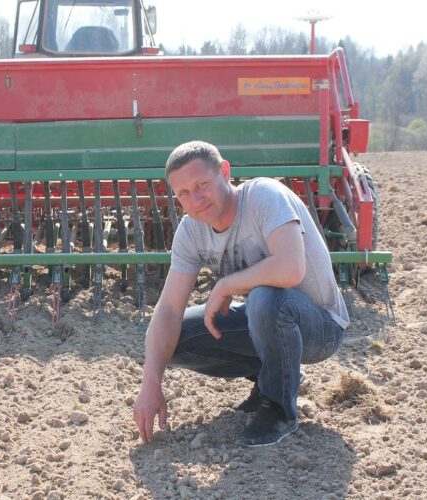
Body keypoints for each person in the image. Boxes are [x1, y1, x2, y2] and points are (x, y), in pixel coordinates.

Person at [133, 141, 349, 447]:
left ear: (225, 171)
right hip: (268, 320)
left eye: (202, 185)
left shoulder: (263, 196)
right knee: (174, 340)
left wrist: (226, 285)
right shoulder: (191, 231)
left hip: (320, 327)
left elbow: (291, 269)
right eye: (183, 193)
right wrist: (150, 383)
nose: (195, 199)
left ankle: (279, 409)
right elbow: (168, 309)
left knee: (265, 297)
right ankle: (273, 376)